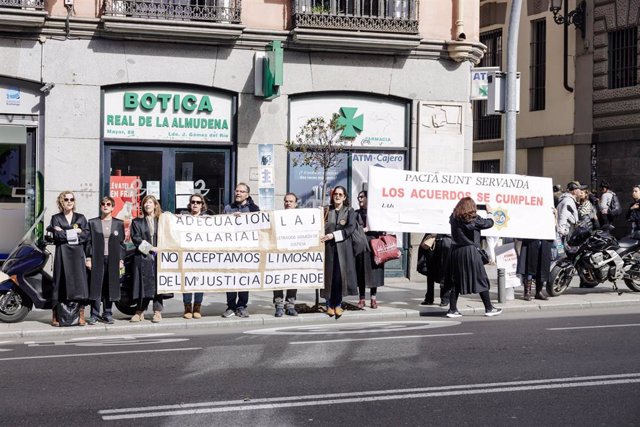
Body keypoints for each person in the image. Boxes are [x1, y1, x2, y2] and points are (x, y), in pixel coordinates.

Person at [446, 197, 502, 318]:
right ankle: (489, 308)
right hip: (470, 251)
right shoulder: (473, 219)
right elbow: (489, 223)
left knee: (456, 280)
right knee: (481, 278)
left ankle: (452, 310)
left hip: (456, 251)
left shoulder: (453, 217)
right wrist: (490, 212)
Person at [48, 191, 90, 326]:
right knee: (59, 282)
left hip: (77, 254)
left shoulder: (81, 217)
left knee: (79, 283)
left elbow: (85, 236)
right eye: (66, 199)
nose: (69, 201)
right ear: (61, 202)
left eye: (72, 199)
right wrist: (74, 232)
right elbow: (56, 236)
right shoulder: (56, 218)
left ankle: (81, 313)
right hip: (62, 254)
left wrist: (64, 231)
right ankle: (56, 315)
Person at [222, 183, 259, 318]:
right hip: (230, 250)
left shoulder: (254, 209)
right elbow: (221, 227)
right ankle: (231, 306)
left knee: (244, 279)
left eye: (242, 191)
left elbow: (258, 228)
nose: (238, 193)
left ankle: (242, 306)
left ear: (247, 195)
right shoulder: (228, 208)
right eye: (237, 191)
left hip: (246, 250)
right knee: (231, 279)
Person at [85, 196, 125, 324]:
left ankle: (107, 313)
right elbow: (88, 242)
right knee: (96, 286)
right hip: (97, 258)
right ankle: (94, 314)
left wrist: (121, 259)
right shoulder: (92, 222)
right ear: (100, 206)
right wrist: (89, 258)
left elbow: (121, 243)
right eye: (103, 204)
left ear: (113, 207)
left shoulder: (118, 223)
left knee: (110, 285)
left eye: (108, 204)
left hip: (113, 258)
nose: (105, 206)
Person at [320, 186, 358, 319]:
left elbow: (351, 228)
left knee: (339, 277)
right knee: (328, 276)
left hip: (343, 249)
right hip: (328, 249)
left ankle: (337, 304)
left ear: (345, 197)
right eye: (335, 194)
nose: (337, 196)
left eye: (340, 194)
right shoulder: (326, 210)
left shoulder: (349, 211)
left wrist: (334, 235)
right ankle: (328, 304)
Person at [130, 195, 168, 323]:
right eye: (145, 203)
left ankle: (157, 312)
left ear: (155, 205)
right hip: (144, 256)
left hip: (160, 257)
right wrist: (151, 249)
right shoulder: (137, 222)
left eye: (150, 203)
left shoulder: (162, 220)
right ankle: (139, 311)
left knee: (158, 284)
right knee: (143, 284)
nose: (147, 205)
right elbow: (136, 239)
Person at [354, 191, 384, 309]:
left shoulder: (375, 213)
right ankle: (362, 299)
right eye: (358, 197)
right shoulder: (356, 213)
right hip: (361, 244)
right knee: (361, 271)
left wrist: (371, 227)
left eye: (362, 197)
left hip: (374, 244)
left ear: (368, 198)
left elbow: (382, 226)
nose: (359, 199)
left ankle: (373, 298)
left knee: (374, 271)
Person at [273, 192, 300, 317]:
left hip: (294, 254)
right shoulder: (277, 216)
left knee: (292, 279)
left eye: (290, 201)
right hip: (280, 253)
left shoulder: (302, 217)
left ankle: (290, 306)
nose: (288, 203)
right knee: (278, 280)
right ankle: (279, 306)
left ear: (296, 203)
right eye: (286, 201)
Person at [181, 193, 207, 319]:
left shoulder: (207, 219)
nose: (195, 204)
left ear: (202, 205)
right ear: (190, 204)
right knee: (187, 280)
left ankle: (197, 306)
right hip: (187, 254)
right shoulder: (184, 217)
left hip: (201, 254)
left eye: (198, 202)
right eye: (193, 202)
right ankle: (187, 306)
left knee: (199, 280)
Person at [419, 234, 452, 307]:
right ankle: (429, 298)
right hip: (432, 242)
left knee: (444, 272)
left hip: (445, 243)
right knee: (430, 272)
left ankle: (444, 298)